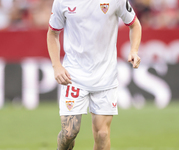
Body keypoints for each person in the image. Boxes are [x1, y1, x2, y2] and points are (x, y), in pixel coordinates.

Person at [47, 0, 141, 149]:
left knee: (102, 135)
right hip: (73, 77)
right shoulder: (62, 1)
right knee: (69, 132)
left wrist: (134, 50)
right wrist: (56, 66)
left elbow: (135, 24)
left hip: (105, 76)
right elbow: (53, 33)